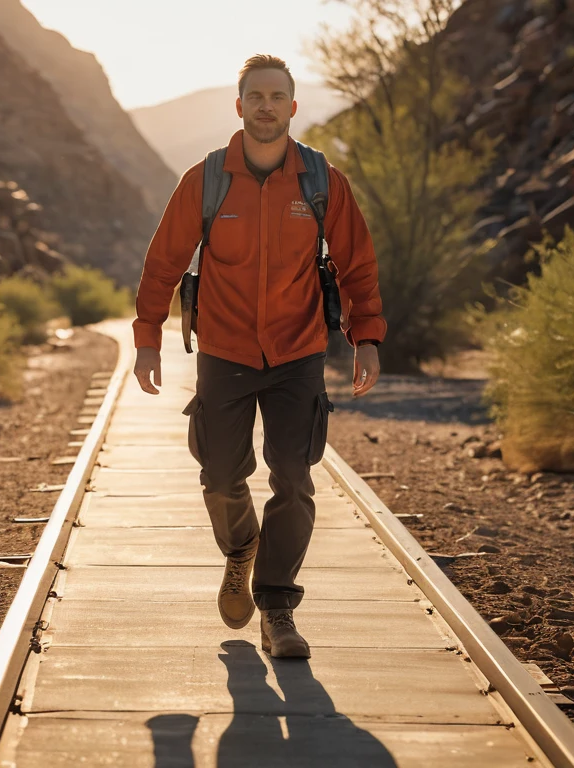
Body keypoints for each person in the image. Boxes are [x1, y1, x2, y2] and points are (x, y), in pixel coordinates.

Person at [131, 54, 386, 659]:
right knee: (220, 475)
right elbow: (163, 262)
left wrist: (367, 337)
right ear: (239, 105)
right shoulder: (207, 179)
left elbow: (357, 264)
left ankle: (276, 606)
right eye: (256, 96)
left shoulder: (322, 182)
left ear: (293, 108)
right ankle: (241, 546)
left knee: (294, 481)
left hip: (298, 353)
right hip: (224, 351)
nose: (267, 106)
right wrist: (146, 339)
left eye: (278, 96)